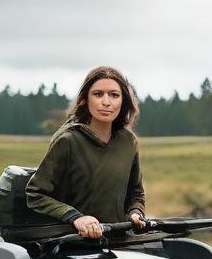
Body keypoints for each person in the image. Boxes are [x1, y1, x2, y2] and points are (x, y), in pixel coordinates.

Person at [25, 66, 147, 238]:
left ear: (123, 101)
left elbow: (136, 193)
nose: (106, 102)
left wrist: (136, 212)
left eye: (114, 95)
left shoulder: (128, 142)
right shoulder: (68, 141)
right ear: (85, 99)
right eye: (98, 94)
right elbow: (36, 194)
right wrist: (76, 218)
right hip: (72, 244)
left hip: (119, 244)